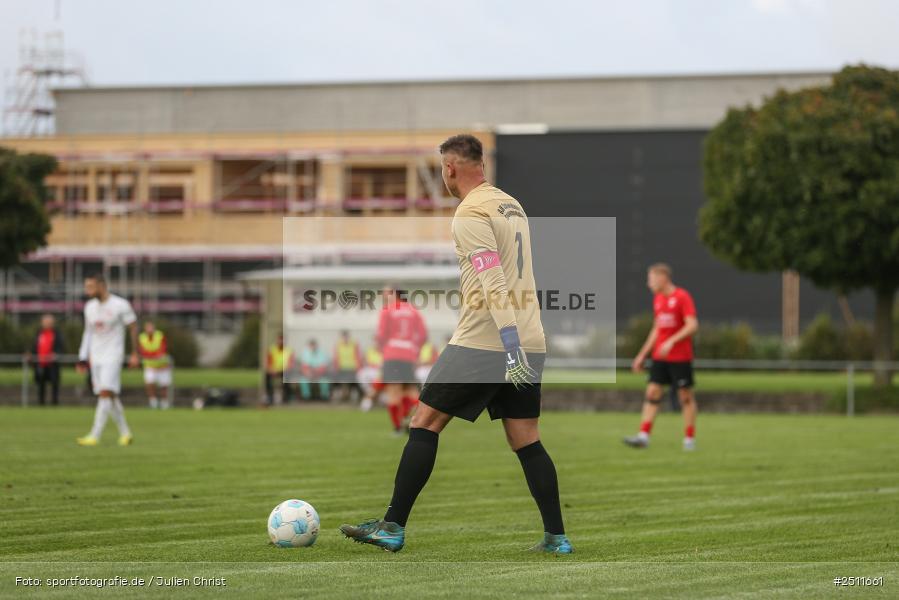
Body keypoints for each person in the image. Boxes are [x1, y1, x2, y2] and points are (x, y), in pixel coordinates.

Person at [340, 133, 572, 554]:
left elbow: (493, 278)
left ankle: (392, 526)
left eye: (441, 169)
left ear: (450, 168)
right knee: (526, 438)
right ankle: (556, 537)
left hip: (489, 339)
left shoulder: (469, 212)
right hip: (531, 336)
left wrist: (507, 341)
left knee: (424, 422)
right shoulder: (510, 204)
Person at [625, 263, 699, 451]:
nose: (648, 283)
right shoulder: (658, 299)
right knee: (652, 392)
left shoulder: (682, 297)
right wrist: (642, 355)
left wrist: (672, 341)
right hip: (660, 357)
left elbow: (692, 325)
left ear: (662, 278)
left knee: (685, 397)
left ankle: (689, 439)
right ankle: (643, 436)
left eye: (651, 279)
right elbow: (657, 329)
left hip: (680, 357)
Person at [76, 273, 139, 446]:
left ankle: (94, 435)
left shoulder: (120, 304)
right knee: (110, 396)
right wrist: (82, 357)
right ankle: (126, 433)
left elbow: (133, 327)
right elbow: (88, 333)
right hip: (95, 357)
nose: (87, 290)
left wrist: (135, 353)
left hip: (113, 356)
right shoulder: (89, 307)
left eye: (90, 286)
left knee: (104, 393)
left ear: (101, 286)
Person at [376, 284, 428, 434]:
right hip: (409, 355)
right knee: (411, 391)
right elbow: (423, 335)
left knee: (393, 392)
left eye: (386, 293)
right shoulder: (414, 311)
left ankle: (398, 427)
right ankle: (414, 421)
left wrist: (383, 349)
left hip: (392, 354)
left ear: (395, 294)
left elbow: (381, 335)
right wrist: (415, 351)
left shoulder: (388, 310)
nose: (384, 296)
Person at [26, 313, 65, 406]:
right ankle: (41, 404)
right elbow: (34, 347)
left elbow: (61, 347)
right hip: (40, 364)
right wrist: (30, 354)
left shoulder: (57, 334)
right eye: (45, 322)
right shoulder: (39, 333)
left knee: (54, 384)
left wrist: (55, 354)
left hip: (52, 365)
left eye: (49, 322)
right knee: (40, 385)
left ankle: (54, 404)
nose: (47, 323)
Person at [138, 320, 173, 409]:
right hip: (150, 366)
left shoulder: (160, 335)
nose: (149, 329)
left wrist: (152, 354)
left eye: (151, 327)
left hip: (162, 366)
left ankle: (164, 403)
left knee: (164, 385)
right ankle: (153, 402)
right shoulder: (142, 337)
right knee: (149, 384)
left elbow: (162, 350)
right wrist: (154, 355)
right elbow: (142, 352)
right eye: (147, 327)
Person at [332, 330, 363, 402]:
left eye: (346, 336)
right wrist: (336, 367)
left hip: (352, 368)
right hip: (341, 368)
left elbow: (358, 356)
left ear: (349, 337)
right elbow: (336, 357)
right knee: (334, 377)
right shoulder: (338, 345)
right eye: (343, 337)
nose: (345, 338)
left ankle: (355, 395)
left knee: (356, 379)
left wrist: (358, 368)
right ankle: (337, 394)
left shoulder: (354, 344)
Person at [264, 334, 294, 405]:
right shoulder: (272, 349)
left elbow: (291, 364)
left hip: (284, 371)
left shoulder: (289, 350)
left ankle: (286, 397)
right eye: (279, 340)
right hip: (274, 370)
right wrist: (271, 369)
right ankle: (269, 396)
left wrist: (286, 369)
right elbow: (268, 362)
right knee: (267, 376)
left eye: (282, 340)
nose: (281, 342)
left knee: (287, 377)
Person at [357, 340, 383, 412]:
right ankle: (368, 399)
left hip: (381, 373)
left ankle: (367, 401)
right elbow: (366, 362)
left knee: (383, 398)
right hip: (371, 372)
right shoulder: (369, 351)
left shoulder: (385, 351)